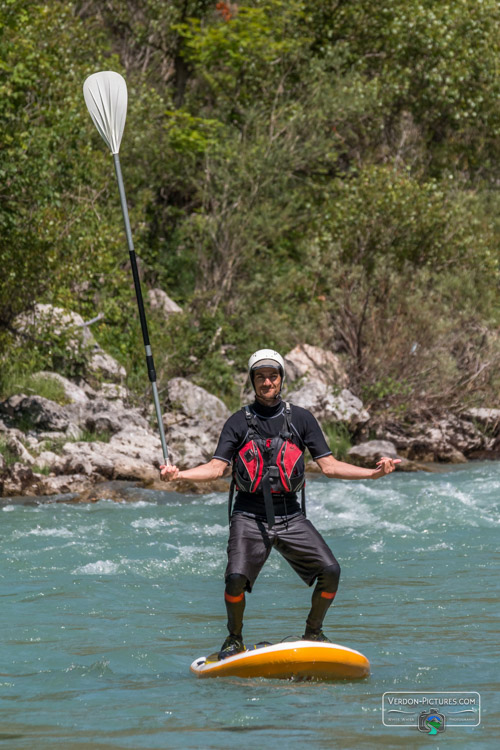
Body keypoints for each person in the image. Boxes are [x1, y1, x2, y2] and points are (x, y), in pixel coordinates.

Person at [160, 349, 400, 659]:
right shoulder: (237, 422)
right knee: (235, 579)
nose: (267, 381)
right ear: (253, 382)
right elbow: (216, 468)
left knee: (331, 571)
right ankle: (234, 638)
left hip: (290, 514)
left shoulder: (301, 419)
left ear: (281, 378)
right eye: (260, 377)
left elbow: (329, 466)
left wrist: (372, 473)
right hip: (249, 514)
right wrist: (179, 474)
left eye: (272, 375)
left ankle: (314, 631)